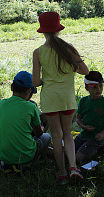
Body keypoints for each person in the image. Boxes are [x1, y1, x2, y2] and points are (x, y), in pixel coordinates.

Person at [32, 11, 89, 185]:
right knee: (68, 136)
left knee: (56, 136)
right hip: (67, 99)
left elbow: (35, 81)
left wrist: (47, 80)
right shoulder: (69, 48)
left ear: (42, 30)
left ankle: (62, 173)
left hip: (50, 99)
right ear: (58, 28)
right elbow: (85, 71)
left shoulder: (38, 52)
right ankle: (73, 167)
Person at [0, 71, 52, 174]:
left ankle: (7, 163)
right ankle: (25, 163)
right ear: (29, 90)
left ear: (12, 87)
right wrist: (44, 125)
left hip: (3, 154)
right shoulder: (31, 106)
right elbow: (39, 133)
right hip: (25, 155)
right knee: (47, 137)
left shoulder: (1, 103)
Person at [75, 71, 104, 163]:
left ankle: (100, 149)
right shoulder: (83, 101)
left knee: (77, 158)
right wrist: (83, 127)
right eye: (94, 87)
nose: (98, 89)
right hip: (83, 135)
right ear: (86, 87)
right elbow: (78, 118)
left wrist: (102, 133)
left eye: (101, 86)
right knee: (67, 152)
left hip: (96, 138)